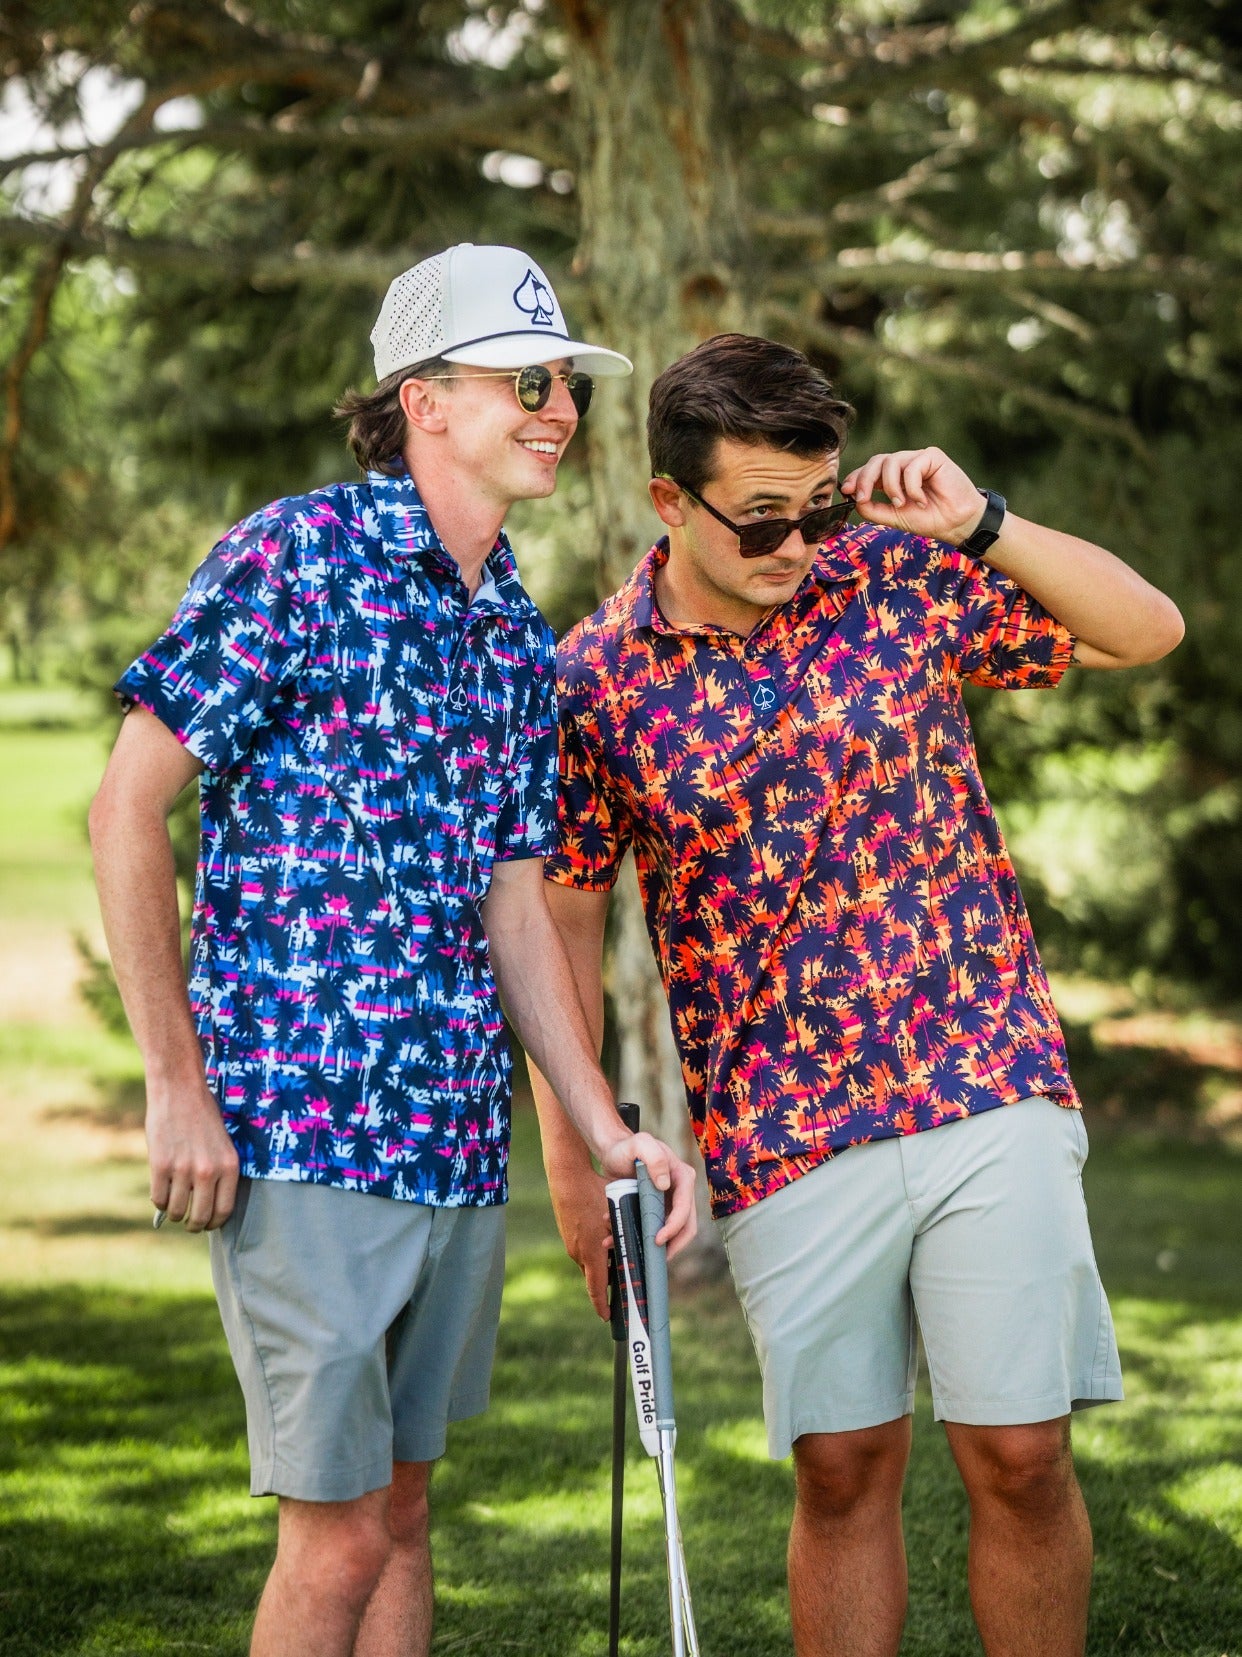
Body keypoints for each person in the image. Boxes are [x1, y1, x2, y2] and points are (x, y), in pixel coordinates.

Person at [529, 332, 1185, 1657]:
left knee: (1016, 1451)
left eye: (817, 506)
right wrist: (572, 1153)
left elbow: (1142, 628)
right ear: (670, 502)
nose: (796, 543)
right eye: (762, 519)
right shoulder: (591, 679)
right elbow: (562, 922)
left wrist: (981, 520)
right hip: (779, 1124)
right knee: (838, 1470)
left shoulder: (895, 577)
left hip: (978, 1070)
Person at [89, 242, 696, 1657]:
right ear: (424, 398)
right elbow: (127, 803)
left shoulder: (511, 635)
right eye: (524, 380)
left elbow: (513, 904)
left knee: (406, 1511)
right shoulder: (296, 556)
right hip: (301, 1126)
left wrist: (603, 1128)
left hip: (447, 1139)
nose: (558, 405)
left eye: (566, 384)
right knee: (341, 1525)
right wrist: (173, 1080)